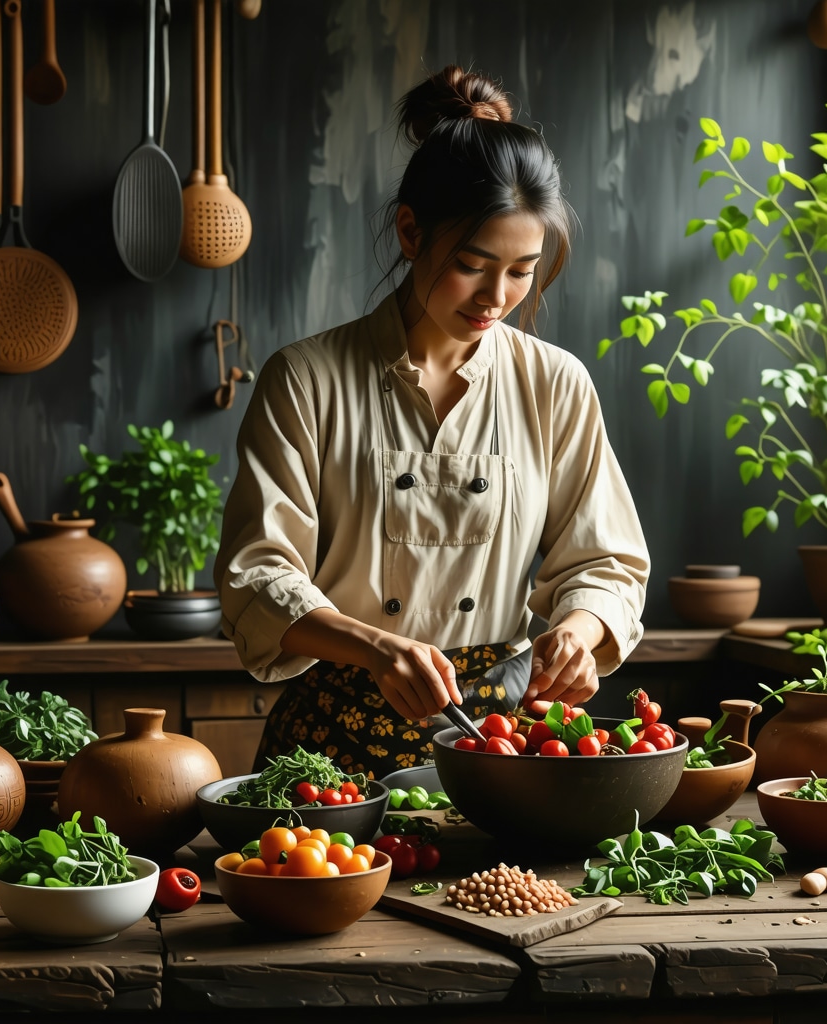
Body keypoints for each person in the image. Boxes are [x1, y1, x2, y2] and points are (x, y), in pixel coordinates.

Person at [214, 64, 650, 778]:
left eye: (521, 270)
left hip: (500, 744)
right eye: (474, 265)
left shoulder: (555, 383)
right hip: (332, 751)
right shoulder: (306, 378)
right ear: (412, 232)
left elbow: (606, 558)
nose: (497, 296)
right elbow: (257, 574)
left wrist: (579, 630)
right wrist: (376, 648)